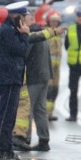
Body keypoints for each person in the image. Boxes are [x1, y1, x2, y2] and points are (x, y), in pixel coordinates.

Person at [0, 1, 31, 160]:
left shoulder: (9, 30)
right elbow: (21, 51)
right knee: (5, 119)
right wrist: (25, 35)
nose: (25, 21)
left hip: (12, 78)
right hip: (8, 79)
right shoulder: (7, 31)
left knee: (10, 118)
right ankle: (2, 154)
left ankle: (8, 151)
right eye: (23, 17)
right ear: (16, 16)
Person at [24, 12, 65, 151]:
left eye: (24, 20)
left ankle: (25, 138)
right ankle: (43, 140)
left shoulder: (32, 35)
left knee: (27, 109)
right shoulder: (41, 33)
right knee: (40, 109)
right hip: (44, 77)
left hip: (34, 77)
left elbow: (24, 55)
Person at [44, 10, 64, 120]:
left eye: (57, 22)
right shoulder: (46, 33)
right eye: (52, 21)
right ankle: (45, 113)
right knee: (48, 90)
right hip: (47, 67)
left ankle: (50, 112)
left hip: (56, 69)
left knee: (55, 90)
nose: (54, 23)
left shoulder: (59, 34)